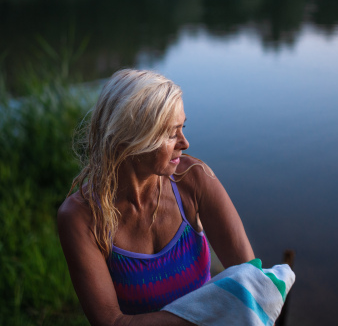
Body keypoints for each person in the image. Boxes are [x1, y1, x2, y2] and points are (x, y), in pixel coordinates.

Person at [58, 69, 255, 325]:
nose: (184, 143)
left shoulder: (195, 179)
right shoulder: (80, 218)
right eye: (171, 134)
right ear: (131, 139)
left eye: (182, 127)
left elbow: (251, 278)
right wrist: (210, 314)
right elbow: (112, 322)